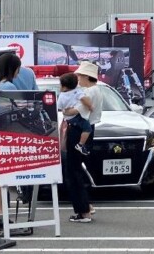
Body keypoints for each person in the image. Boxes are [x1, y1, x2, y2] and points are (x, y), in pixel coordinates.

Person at [0, 53, 23, 228]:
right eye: (18, 68)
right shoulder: (8, 86)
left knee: (1, 177)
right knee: (1, 178)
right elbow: (19, 110)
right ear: (13, 68)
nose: (19, 71)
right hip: (5, 136)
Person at [58, 72, 95, 223]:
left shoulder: (88, 92)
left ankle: (83, 211)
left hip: (74, 130)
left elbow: (67, 110)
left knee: (73, 171)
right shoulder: (82, 92)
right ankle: (86, 207)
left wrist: (67, 111)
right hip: (79, 129)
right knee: (75, 170)